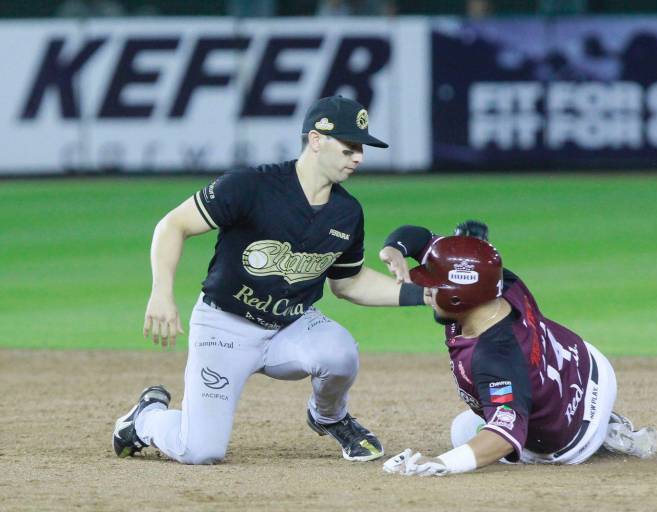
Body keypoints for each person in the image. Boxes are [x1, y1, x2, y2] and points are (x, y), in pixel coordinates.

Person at [112, 96, 427, 465]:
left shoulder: (347, 213)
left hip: (290, 327)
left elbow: (349, 283)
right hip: (224, 327)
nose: (358, 156)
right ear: (315, 140)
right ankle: (144, 418)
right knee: (200, 450)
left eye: (361, 148)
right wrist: (161, 292)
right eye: (349, 146)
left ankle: (330, 417)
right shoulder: (251, 187)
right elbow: (173, 225)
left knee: (339, 353)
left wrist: (424, 295)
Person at [378, 221, 657, 476]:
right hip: (586, 364)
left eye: (433, 285)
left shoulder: (495, 356)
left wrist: (442, 462)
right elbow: (422, 240)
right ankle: (603, 420)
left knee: (464, 433)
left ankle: (605, 434)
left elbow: (504, 434)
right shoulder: (500, 283)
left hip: (568, 439)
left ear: (458, 298)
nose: (426, 291)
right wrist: (394, 249)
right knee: (472, 424)